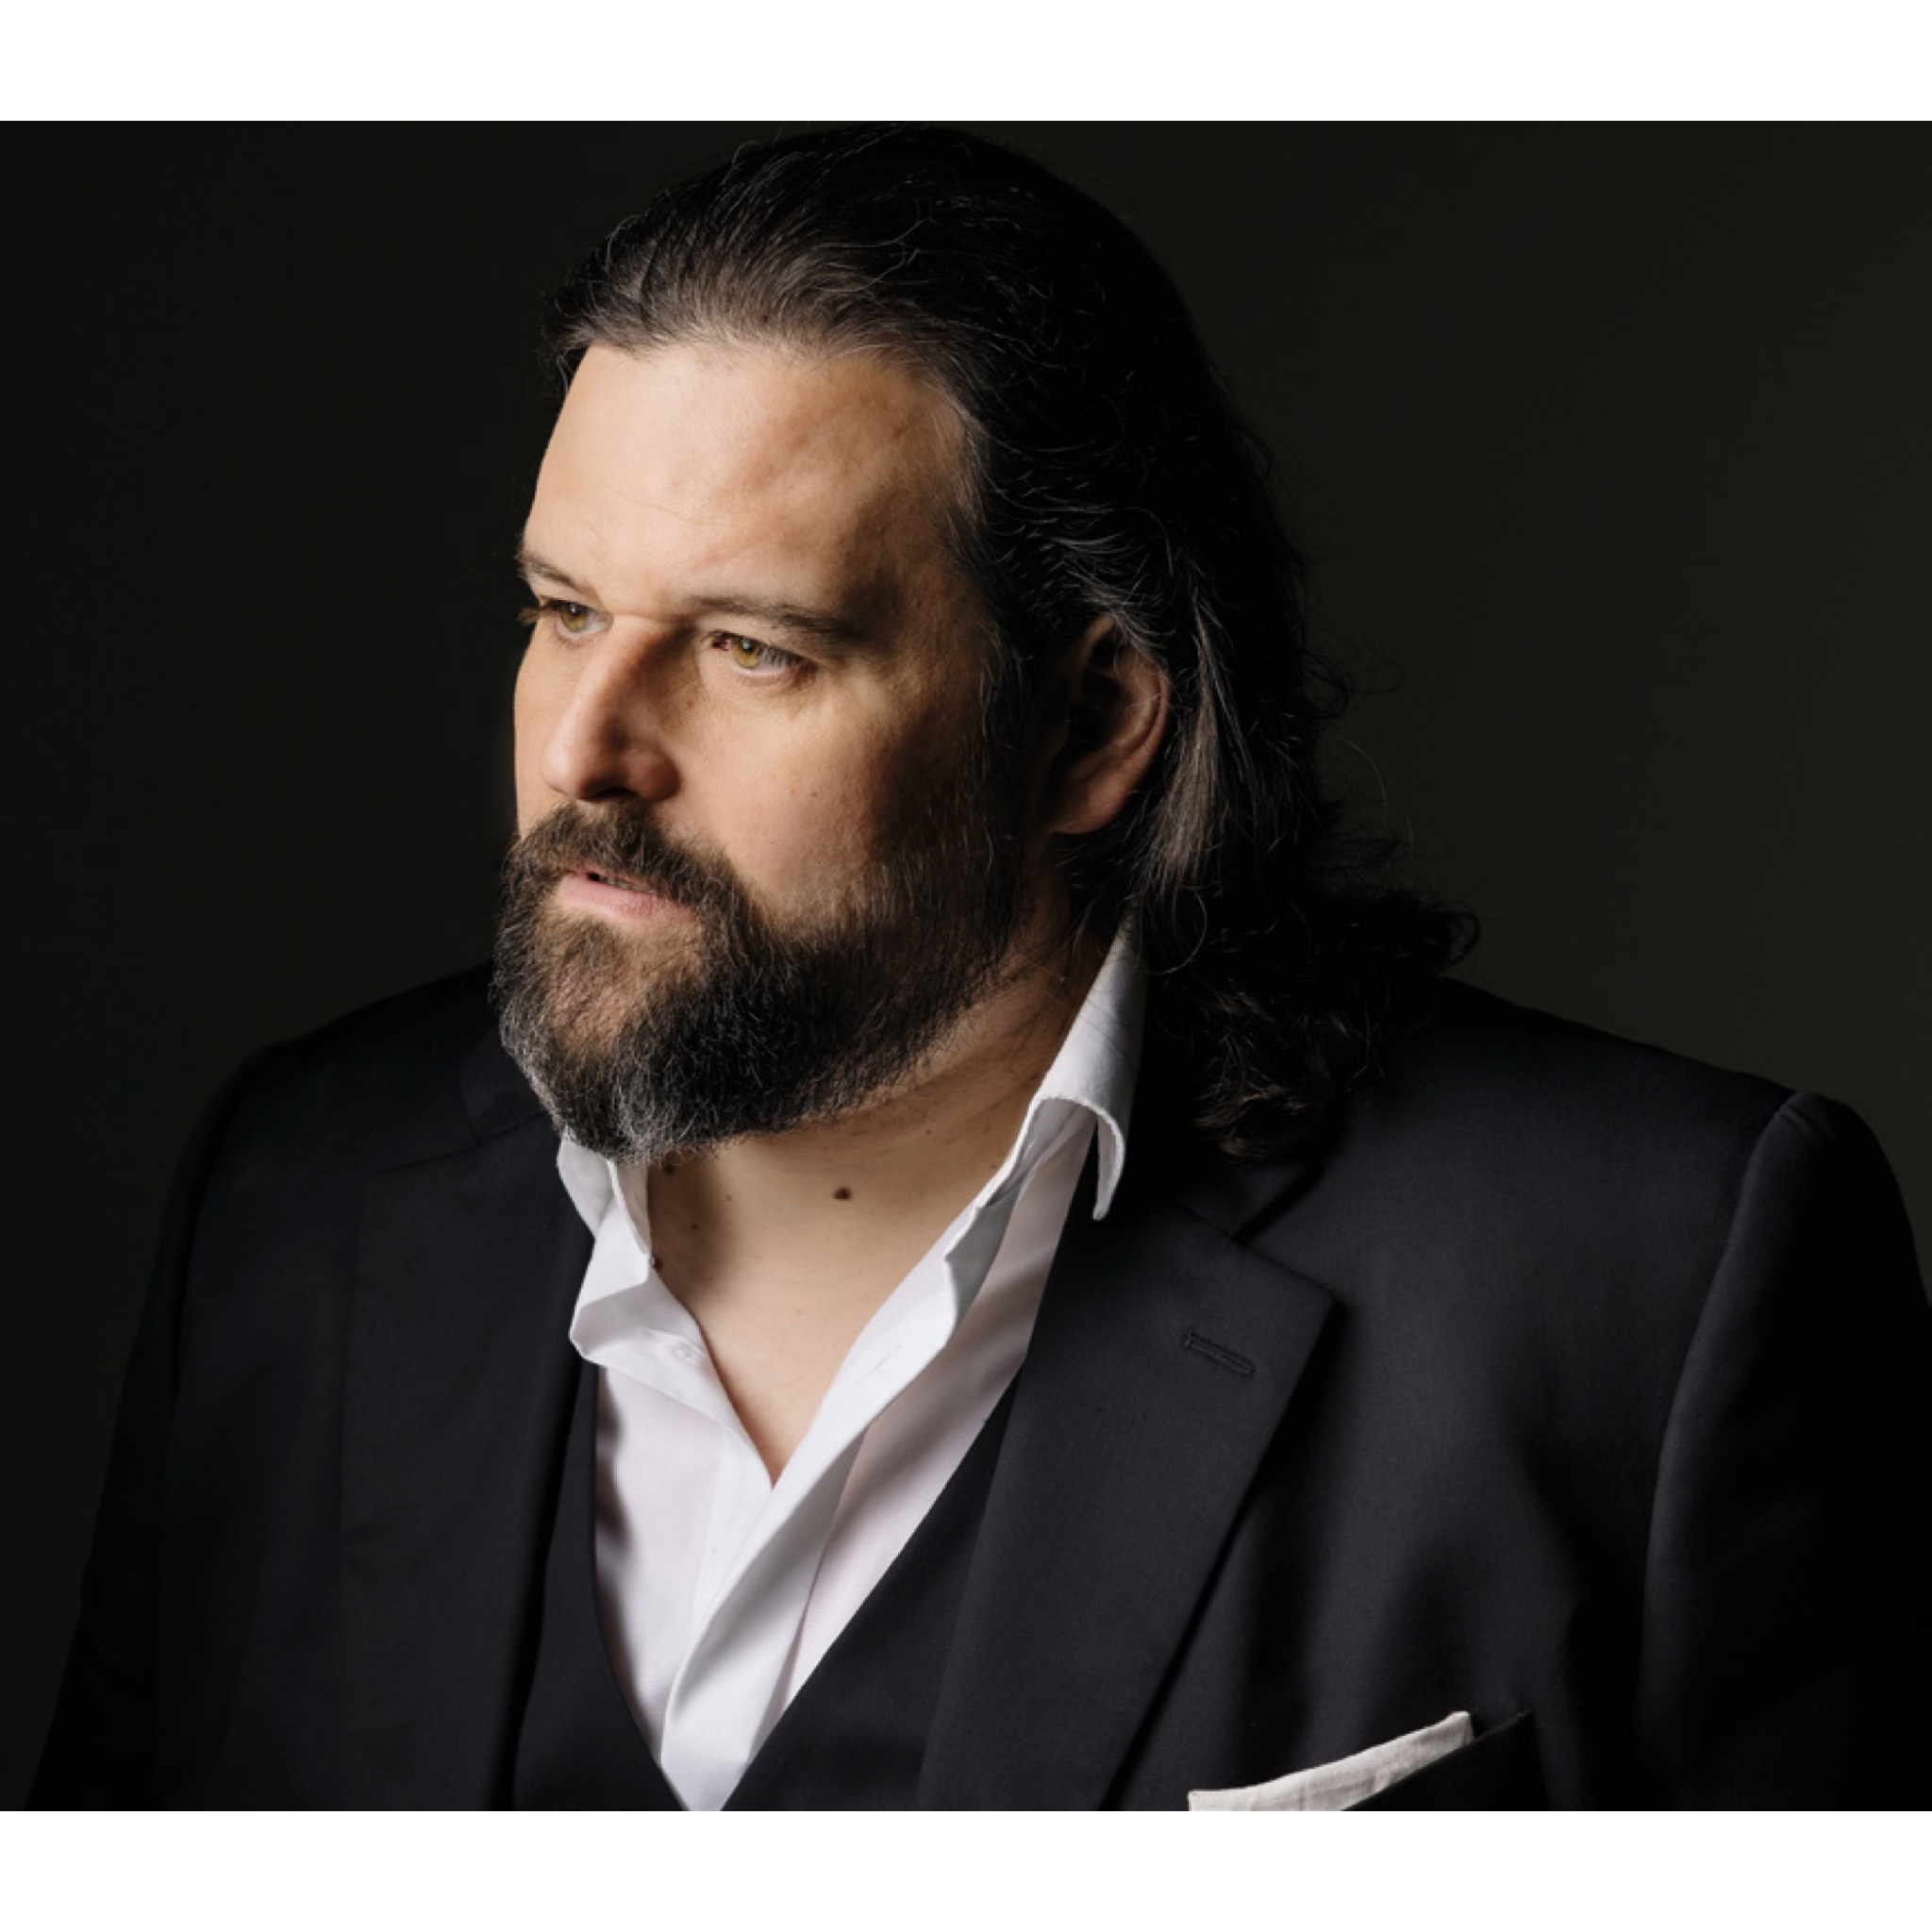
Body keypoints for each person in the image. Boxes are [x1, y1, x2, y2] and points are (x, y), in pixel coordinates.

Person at [32, 124, 1929, 1811]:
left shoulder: (1649, 1284)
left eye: (753, 649)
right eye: (563, 611)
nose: (583, 752)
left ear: (1091, 723)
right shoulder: (296, 1199)